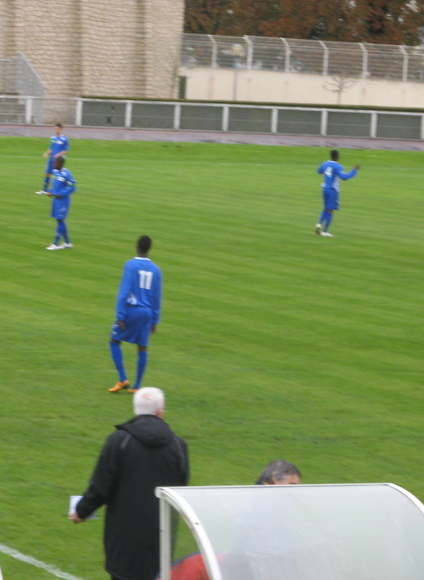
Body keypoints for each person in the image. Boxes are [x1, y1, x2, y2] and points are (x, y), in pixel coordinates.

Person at [70, 386, 189, 580]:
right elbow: (181, 491)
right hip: (161, 538)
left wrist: (81, 511)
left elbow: (101, 486)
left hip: (124, 538)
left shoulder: (119, 441)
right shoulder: (178, 445)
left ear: (136, 409)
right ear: (160, 411)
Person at [158, 460, 301, 580]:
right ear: (274, 479)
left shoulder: (272, 506)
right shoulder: (258, 507)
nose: (293, 492)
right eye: (291, 485)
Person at [108, 235, 162, 394]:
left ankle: (123, 379)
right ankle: (137, 386)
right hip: (147, 313)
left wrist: (120, 315)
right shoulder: (156, 270)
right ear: (149, 248)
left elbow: (124, 291)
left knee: (114, 341)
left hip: (132, 310)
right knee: (142, 348)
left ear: (137, 246)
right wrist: (155, 320)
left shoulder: (131, 265)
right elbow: (157, 297)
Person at [315, 149, 359, 236]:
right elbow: (344, 177)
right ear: (337, 157)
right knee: (330, 210)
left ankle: (320, 225)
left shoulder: (325, 164)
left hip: (324, 188)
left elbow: (319, 171)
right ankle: (324, 230)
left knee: (326, 208)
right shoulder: (338, 166)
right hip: (332, 190)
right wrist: (354, 171)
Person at [46, 155, 75, 249]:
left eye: (55, 163)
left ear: (61, 164)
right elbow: (56, 186)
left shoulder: (67, 174)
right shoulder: (55, 172)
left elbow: (73, 187)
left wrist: (61, 194)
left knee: (60, 220)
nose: (53, 164)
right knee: (59, 220)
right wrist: (51, 191)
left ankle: (55, 243)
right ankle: (67, 242)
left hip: (63, 201)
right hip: (56, 200)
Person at [37, 122, 70, 195]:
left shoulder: (65, 139)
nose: (56, 130)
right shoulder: (53, 138)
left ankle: (62, 189)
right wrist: (46, 153)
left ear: (61, 129)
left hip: (59, 161)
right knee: (47, 174)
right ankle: (44, 190)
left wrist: (58, 155)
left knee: (59, 176)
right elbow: (51, 148)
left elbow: (65, 151)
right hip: (51, 159)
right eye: (55, 129)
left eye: (58, 129)